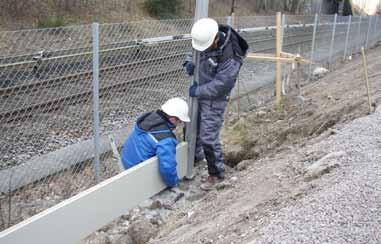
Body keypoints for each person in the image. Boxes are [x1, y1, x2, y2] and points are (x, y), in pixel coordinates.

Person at [183, 18, 248, 191]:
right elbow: (194, 51)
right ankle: (194, 160)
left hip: (214, 99)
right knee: (190, 128)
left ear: (215, 39)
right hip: (199, 91)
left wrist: (199, 91)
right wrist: (188, 62)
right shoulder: (204, 37)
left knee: (207, 137)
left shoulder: (231, 55)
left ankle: (216, 174)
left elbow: (221, 85)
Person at [121, 97, 190, 188]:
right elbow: (167, 167)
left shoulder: (149, 119)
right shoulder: (165, 139)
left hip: (125, 162)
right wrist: (173, 183)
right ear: (173, 119)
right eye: (179, 121)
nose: (179, 124)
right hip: (137, 173)